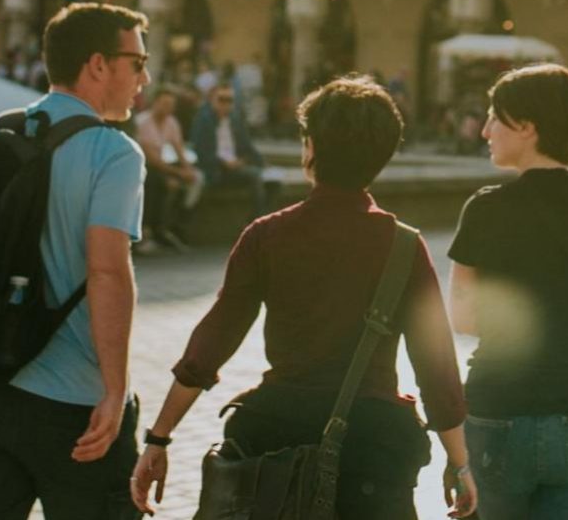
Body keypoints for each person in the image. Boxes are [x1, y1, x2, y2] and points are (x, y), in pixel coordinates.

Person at [132, 77, 474, 520]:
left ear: (310, 147)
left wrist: (159, 438)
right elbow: (436, 368)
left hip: (276, 444)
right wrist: (459, 461)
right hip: (375, 448)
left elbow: (212, 342)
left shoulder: (267, 236)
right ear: (383, 157)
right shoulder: (404, 245)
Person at [0, 2, 149, 520]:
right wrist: (115, 389)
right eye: (138, 63)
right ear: (98, 65)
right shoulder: (115, 153)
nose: (144, 77)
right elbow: (106, 271)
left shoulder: (1, 129)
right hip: (73, 403)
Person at [449, 64, 568, 519]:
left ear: (528, 126)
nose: (487, 130)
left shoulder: (486, 209)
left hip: (501, 413)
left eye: (496, 117)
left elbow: (462, 317)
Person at [135, 88, 200, 252]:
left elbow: (179, 148)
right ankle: (149, 230)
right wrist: (177, 174)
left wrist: (188, 169)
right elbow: (152, 159)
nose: (167, 108)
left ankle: (176, 226)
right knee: (162, 183)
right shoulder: (143, 122)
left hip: (164, 166)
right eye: (164, 104)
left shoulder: (172, 122)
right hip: (145, 167)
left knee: (197, 179)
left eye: (171, 105)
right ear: (155, 103)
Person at [190, 83, 268, 220]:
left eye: (229, 100)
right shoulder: (204, 120)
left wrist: (260, 162)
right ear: (212, 100)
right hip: (215, 170)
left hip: (234, 167)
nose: (225, 104)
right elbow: (200, 151)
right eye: (221, 99)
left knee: (272, 181)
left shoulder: (235, 119)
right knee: (255, 177)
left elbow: (247, 145)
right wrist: (224, 163)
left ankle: (265, 221)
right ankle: (257, 222)